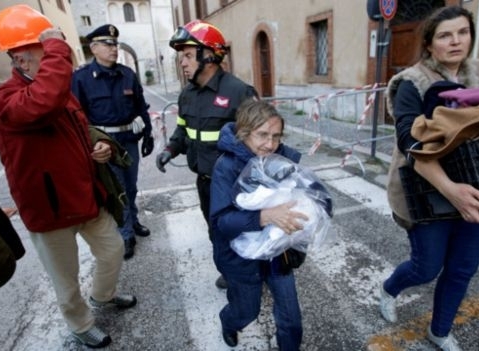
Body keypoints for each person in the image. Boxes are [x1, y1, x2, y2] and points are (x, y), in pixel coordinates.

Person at [0, 5, 137, 348]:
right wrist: (56, 47)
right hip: (48, 209)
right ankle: (81, 323)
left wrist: (100, 149)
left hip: (85, 195)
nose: (61, 60)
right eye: (50, 53)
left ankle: (103, 296)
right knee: (66, 279)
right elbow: (42, 103)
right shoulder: (3, 99)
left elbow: (81, 130)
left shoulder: (56, 92)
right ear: (22, 60)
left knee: (113, 250)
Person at [381, 6, 479, 351]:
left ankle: (440, 330)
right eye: (445, 35)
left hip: (476, 186)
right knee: (426, 268)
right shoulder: (413, 82)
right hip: (426, 190)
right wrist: (452, 191)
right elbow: (410, 143)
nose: (455, 41)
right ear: (430, 43)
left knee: (463, 267)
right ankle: (390, 288)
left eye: (462, 32)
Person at [155, 20, 258, 288]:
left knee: (240, 231)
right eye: (181, 57)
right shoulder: (187, 95)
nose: (183, 63)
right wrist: (170, 149)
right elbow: (182, 130)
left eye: (188, 55)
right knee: (216, 231)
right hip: (204, 182)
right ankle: (231, 270)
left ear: (210, 55)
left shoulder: (239, 92)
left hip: (234, 184)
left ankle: (250, 273)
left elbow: (261, 142)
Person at [210, 99, 308, 350]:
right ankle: (229, 321)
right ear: (244, 134)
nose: (270, 144)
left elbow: (303, 194)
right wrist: (265, 216)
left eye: (276, 136)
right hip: (239, 257)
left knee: (291, 319)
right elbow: (221, 222)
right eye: (262, 135)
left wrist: (314, 209)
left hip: (278, 251)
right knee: (247, 312)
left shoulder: (283, 158)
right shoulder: (226, 166)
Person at [72, 24, 154, 260]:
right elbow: (78, 118)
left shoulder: (127, 74)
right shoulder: (81, 78)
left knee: (131, 186)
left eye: (115, 44)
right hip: (104, 144)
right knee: (115, 189)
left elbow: (141, 107)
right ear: (94, 48)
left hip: (128, 140)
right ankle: (125, 233)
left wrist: (148, 134)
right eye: (107, 44)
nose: (113, 48)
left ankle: (134, 221)